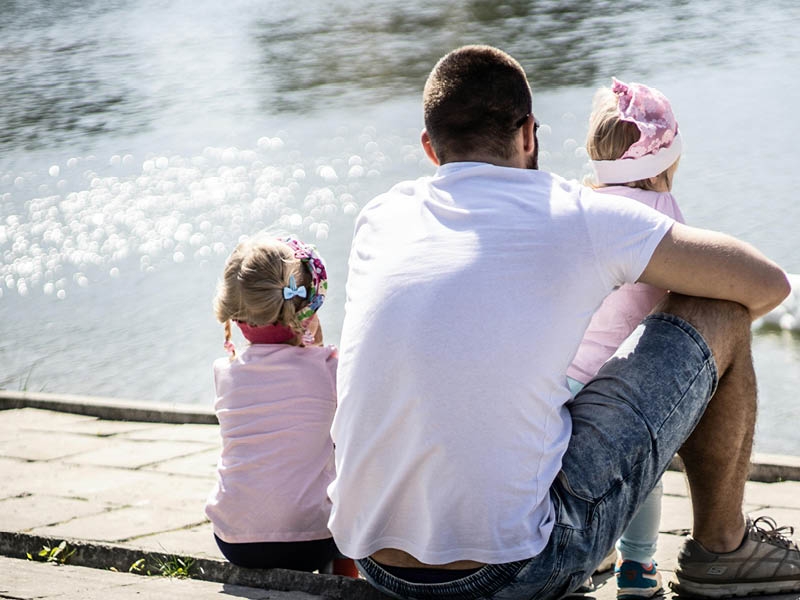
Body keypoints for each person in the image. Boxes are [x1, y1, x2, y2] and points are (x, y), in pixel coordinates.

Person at [328, 45, 797, 600]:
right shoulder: (578, 213)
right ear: (528, 134)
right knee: (720, 306)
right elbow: (768, 284)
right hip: (514, 571)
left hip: (377, 564)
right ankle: (723, 549)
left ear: (430, 149)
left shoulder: (381, 217)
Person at [567, 78, 686, 598]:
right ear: (666, 163)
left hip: (554, 379)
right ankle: (638, 567)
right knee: (644, 464)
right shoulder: (663, 217)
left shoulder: (575, 207)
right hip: (607, 380)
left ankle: (594, 552)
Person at [205, 233, 351, 574]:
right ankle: (346, 581)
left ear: (236, 315)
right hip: (311, 543)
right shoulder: (330, 368)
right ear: (308, 306)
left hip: (234, 541)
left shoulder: (225, 373)